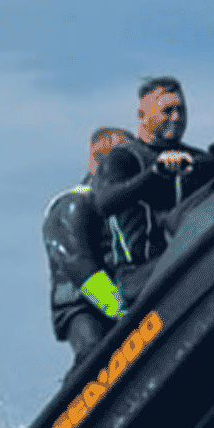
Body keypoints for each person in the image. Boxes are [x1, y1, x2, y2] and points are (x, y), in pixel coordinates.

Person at [88, 74, 210, 298]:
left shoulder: (197, 158)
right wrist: (155, 174)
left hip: (187, 260)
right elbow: (104, 202)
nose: (176, 118)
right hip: (138, 277)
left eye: (181, 110)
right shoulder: (123, 158)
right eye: (167, 111)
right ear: (142, 116)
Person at [43, 126, 133, 364]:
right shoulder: (74, 204)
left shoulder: (119, 206)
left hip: (119, 297)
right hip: (81, 306)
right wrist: (120, 310)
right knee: (94, 352)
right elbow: (77, 262)